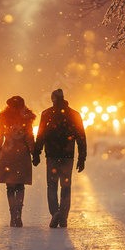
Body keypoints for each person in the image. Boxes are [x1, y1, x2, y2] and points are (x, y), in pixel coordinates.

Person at [33, 89, 87, 228]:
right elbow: (81, 137)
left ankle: (55, 213)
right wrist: (82, 157)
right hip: (68, 157)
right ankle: (63, 217)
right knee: (66, 187)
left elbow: (41, 135)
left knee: (51, 186)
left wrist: (37, 153)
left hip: (51, 155)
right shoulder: (74, 115)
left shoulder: (46, 114)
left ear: (53, 99)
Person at [0, 96, 36, 227]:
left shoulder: (3, 118)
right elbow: (29, 136)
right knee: (20, 185)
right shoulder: (26, 118)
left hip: (7, 153)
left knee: (10, 186)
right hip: (22, 154)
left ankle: (12, 213)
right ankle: (18, 211)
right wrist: (34, 151)